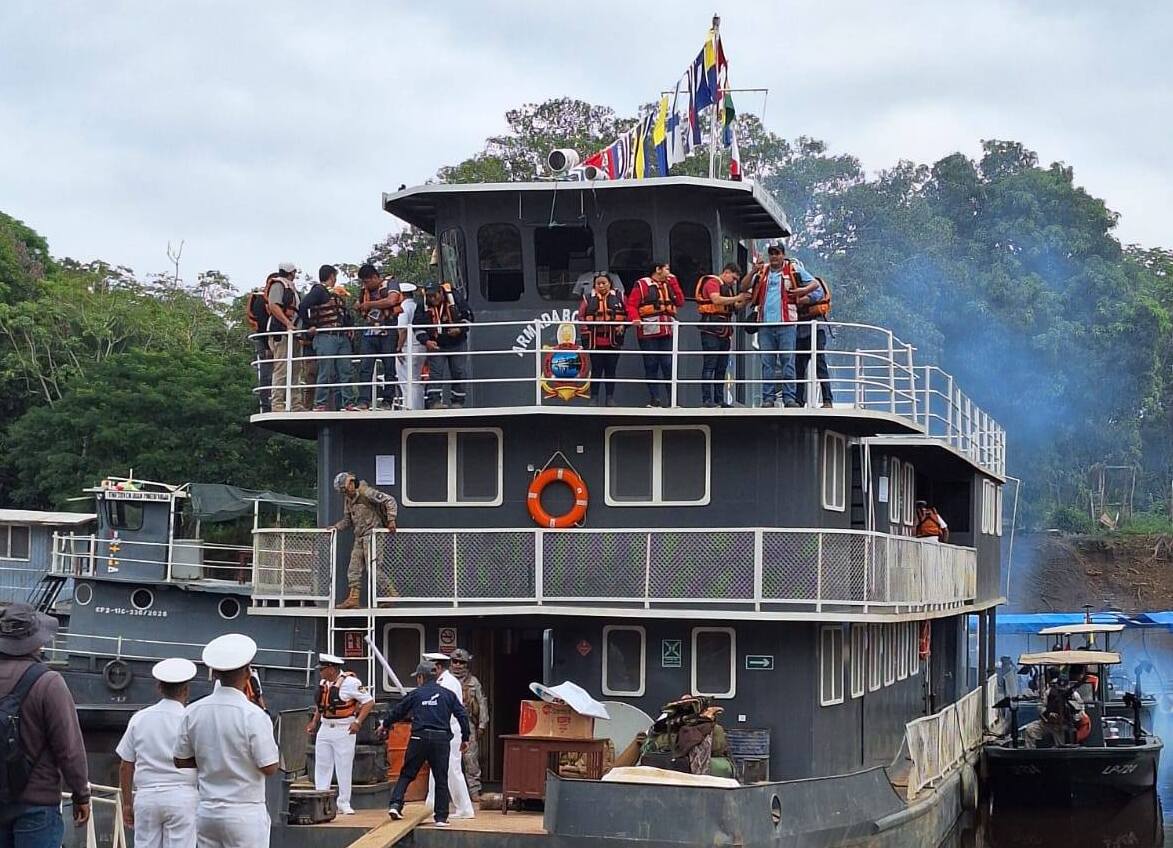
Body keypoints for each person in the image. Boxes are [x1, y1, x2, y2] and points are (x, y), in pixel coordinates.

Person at [174, 634, 280, 848]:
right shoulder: (254, 715)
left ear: (215, 674)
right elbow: (269, 767)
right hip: (245, 813)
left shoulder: (193, 711)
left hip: (207, 812)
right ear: (248, 672)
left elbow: (180, 760)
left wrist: (210, 759)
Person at [0, 603, 90, 844]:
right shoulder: (48, 682)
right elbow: (69, 748)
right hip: (37, 803)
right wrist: (81, 794)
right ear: (36, 642)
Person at [116, 657, 199, 848]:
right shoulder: (192, 720)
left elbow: (125, 765)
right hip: (182, 797)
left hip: (147, 797)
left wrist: (127, 803)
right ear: (186, 690)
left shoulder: (139, 718)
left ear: (159, 687)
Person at [380, 662, 470, 827]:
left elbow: (398, 711)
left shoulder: (416, 694)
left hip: (419, 738)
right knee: (441, 778)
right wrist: (465, 738)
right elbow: (462, 715)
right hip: (441, 740)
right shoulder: (448, 694)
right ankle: (441, 818)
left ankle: (395, 805)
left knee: (407, 773)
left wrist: (385, 724)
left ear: (421, 677)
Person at [741, 243, 821, 408]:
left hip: (787, 323)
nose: (774, 257)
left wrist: (801, 292)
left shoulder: (793, 269)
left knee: (788, 361)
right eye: (771, 253)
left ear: (783, 254)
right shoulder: (762, 271)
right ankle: (768, 398)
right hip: (764, 325)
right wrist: (753, 271)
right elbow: (743, 286)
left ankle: (789, 398)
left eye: (777, 253)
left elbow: (815, 284)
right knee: (767, 363)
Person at [305, 654, 375, 815]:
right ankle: (321, 798)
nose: (320, 673)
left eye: (322, 669)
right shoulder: (324, 683)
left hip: (344, 728)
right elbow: (322, 705)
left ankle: (344, 801)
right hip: (325, 727)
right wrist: (314, 722)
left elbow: (368, 701)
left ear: (331, 669)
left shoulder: (351, 683)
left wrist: (358, 722)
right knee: (322, 764)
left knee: (344, 765)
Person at [330, 472, 398, 609]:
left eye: (344, 489)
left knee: (374, 568)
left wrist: (391, 519)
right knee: (353, 569)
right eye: (342, 491)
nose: (344, 493)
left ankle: (392, 594)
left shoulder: (366, 492)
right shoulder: (348, 499)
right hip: (359, 536)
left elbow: (390, 500)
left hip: (373, 535)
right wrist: (336, 527)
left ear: (350, 483)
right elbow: (348, 520)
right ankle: (353, 599)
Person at [298, 265, 358, 412]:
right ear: (332, 276)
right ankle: (321, 404)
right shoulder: (319, 291)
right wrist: (309, 325)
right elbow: (303, 306)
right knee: (325, 371)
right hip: (326, 336)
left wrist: (348, 326)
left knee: (345, 370)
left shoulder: (335, 294)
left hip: (340, 336)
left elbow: (342, 314)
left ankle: (348, 402)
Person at [624, 262, 685, 407]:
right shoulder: (642, 285)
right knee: (651, 364)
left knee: (668, 364)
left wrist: (675, 283)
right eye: (667, 269)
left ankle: (672, 400)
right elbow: (631, 305)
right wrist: (635, 318)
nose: (669, 272)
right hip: (648, 330)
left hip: (667, 329)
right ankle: (654, 399)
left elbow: (680, 301)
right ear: (658, 270)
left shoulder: (670, 284)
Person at [424, 652, 475, 819]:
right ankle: (430, 806)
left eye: (430, 668)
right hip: (440, 730)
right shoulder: (440, 682)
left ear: (438, 667)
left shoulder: (449, 683)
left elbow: (442, 708)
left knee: (453, 769)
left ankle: (465, 809)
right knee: (436, 767)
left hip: (450, 730)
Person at [695, 263, 751, 408]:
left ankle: (720, 399)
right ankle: (707, 399)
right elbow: (716, 300)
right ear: (726, 272)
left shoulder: (728, 289)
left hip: (724, 331)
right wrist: (737, 297)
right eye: (733, 278)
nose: (733, 282)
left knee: (722, 367)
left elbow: (734, 306)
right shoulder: (712, 282)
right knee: (710, 365)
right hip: (711, 330)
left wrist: (745, 300)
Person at [416, 282, 474, 409]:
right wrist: (426, 341)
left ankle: (457, 402)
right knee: (435, 374)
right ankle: (434, 402)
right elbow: (417, 326)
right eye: (429, 296)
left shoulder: (455, 298)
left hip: (457, 342)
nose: (432, 299)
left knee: (459, 372)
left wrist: (459, 329)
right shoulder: (422, 304)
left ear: (441, 293)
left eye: (434, 296)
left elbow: (469, 317)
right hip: (436, 344)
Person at [355, 264, 403, 410]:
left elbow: (391, 301)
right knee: (365, 367)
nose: (365, 285)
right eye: (363, 282)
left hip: (388, 330)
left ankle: (388, 401)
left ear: (375, 277)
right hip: (370, 332)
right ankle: (363, 401)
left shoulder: (391, 283)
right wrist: (359, 306)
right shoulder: (364, 291)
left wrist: (368, 304)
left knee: (389, 367)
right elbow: (359, 305)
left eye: (367, 281)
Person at [577, 273, 627, 406]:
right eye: (598, 283)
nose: (601, 285)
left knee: (611, 370)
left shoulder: (620, 297)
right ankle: (594, 398)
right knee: (596, 370)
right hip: (595, 342)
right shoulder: (588, 299)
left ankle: (610, 398)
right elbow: (581, 317)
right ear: (594, 285)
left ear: (610, 284)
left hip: (613, 341)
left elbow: (628, 315)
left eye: (604, 283)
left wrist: (623, 325)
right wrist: (586, 330)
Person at [449, 649, 489, 803]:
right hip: (449, 723)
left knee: (471, 758)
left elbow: (482, 702)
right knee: (448, 758)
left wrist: (482, 724)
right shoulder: (445, 680)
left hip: (468, 723)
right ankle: (448, 792)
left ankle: (474, 790)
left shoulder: (474, 682)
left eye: (461, 662)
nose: (458, 665)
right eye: (455, 661)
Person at [264, 262, 305, 413]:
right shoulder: (278, 285)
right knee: (281, 367)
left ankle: (295, 404)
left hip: (293, 334)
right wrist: (287, 323)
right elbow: (274, 305)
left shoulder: (290, 287)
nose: (295, 274)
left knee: (295, 368)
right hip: (281, 332)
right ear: (290, 272)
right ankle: (277, 404)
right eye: (294, 272)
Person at [794, 276, 834, 408]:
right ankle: (799, 400)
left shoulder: (814, 285)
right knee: (799, 368)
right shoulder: (795, 286)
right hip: (800, 332)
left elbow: (816, 297)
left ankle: (827, 400)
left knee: (820, 365)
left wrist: (799, 298)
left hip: (817, 329)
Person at [1022, 670, 1085, 748]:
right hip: (1048, 724)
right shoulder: (1049, 693)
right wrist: (1048, 716)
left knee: (1062, 745)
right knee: (1030, 729)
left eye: (1064, 689)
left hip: (1065, 725)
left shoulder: (1074, 695)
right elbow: (1041, 707)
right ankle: (1030, 754)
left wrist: (1071, 718)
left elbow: (1081, 710)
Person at [395, 281, 426, 410]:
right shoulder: (416, 306)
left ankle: (410, 408)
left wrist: (398, 348)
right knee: (416, 380)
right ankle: (419, 407)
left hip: (408, 347)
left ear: (401, 295)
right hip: (421, 346)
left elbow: (402, 329)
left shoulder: (403, 308)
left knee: (407, 381)